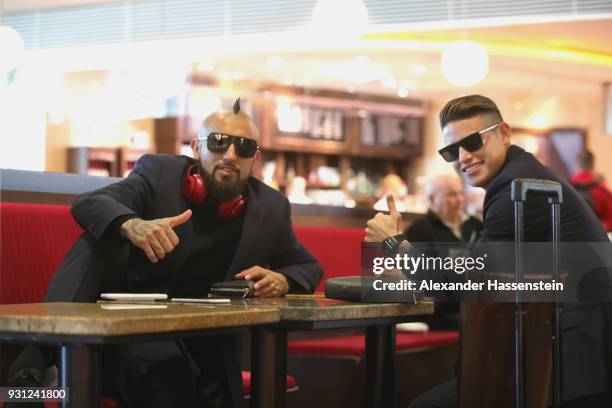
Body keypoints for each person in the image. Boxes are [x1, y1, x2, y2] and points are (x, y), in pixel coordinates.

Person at [7, 98, 323, 408]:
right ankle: (27, 375)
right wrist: (132, 224)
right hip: (129, 329)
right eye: (218, 142)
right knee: (103, 234)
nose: (229, 154)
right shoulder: (160, 174)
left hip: (207, 340)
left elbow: (307, 265)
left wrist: (283, 279)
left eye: (243, 147)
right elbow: (88, 203)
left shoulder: (270, 207)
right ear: (197, 149)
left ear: (255, 157)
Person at [365, 95, 611, 407]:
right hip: (559, 345)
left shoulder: (516, 189)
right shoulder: (518, 178)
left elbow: (471, 285)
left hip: (573, 357)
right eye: (452, 150)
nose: (463, 156)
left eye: (472, 142)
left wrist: (394, 245)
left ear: (504, 133)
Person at [404, 174, 483, 330]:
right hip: (440, 311)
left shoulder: (475, 225)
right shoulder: (419, 231)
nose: (459, 199)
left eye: (461, 193)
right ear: (433, 200)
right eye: (452, 195)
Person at [571, 149, 612, 232]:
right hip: (596, 239)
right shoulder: (602, 190)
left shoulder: (565, 188)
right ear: (592, 165)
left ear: (576, 164)